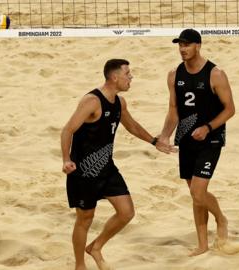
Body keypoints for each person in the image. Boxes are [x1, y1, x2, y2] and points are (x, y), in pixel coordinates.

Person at [61, 59, 173, 270]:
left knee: (126, 212)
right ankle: (79, 265)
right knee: (85, 218)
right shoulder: (92, 101)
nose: (131, 78)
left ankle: (95, 247)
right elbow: (67, 130)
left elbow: (131, 125)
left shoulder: (120, 103)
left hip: (107, 168)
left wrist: (154, 141)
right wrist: (66, 159)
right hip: (83, 171)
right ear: (114, 77)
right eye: (127, 74)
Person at [158, 29, 235, 256]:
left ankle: (221, 219)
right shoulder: (174, 74)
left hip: (211, 139)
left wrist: (208, 127)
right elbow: (173, 110)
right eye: (180, 45)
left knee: (199, 193)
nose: (182, 49)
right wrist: (164, 135)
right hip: (186, 139)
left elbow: (230, 109)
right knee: (195, 194)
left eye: (187, 44)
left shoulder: (215, 74)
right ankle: (202, 244)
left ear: (198, 46)